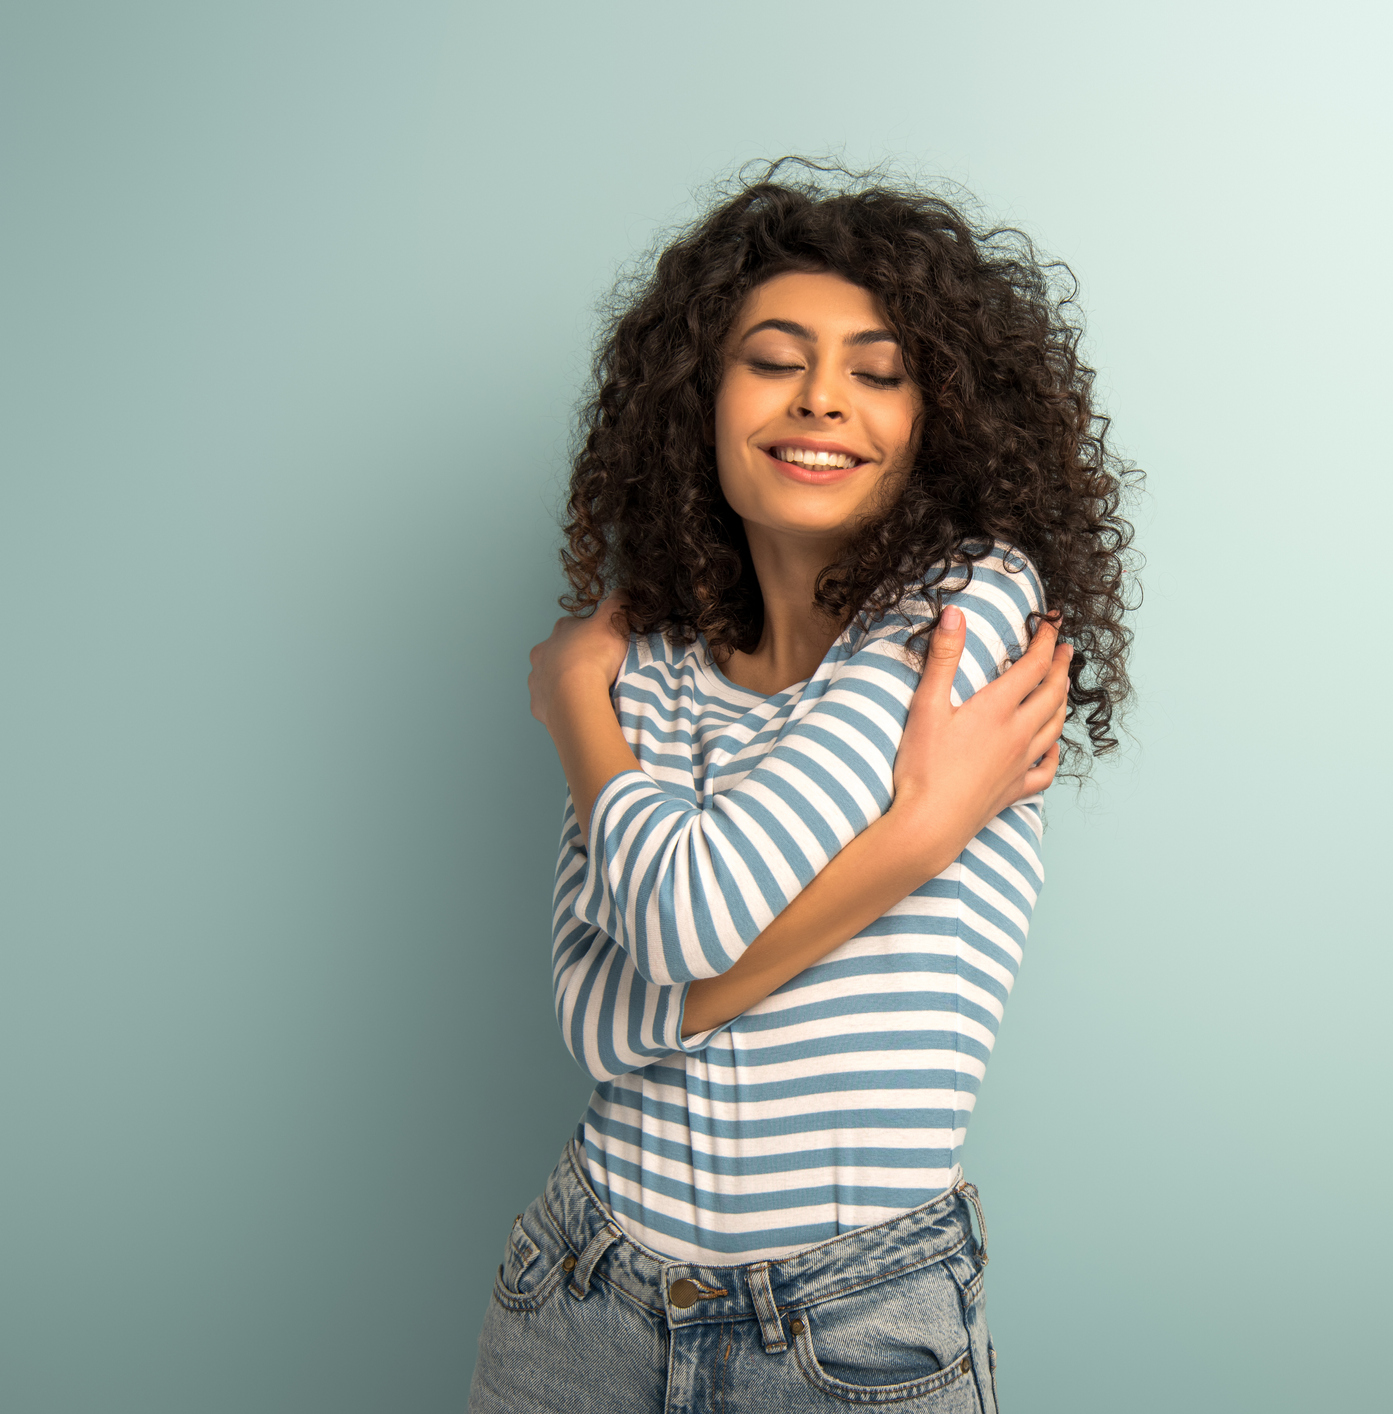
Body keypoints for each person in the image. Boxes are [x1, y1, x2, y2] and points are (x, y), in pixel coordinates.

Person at [466, 162, 1136, 1413]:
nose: (822, 397)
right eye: (773, 358)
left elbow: (679, 922)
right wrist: (915, 835)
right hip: (582, 1291)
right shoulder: (650, 666)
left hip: (855, 1327)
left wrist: (567, 705)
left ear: (939, 417)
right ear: (699, 399)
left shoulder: (963, 609)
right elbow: (598, 1022)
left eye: (878, 372)